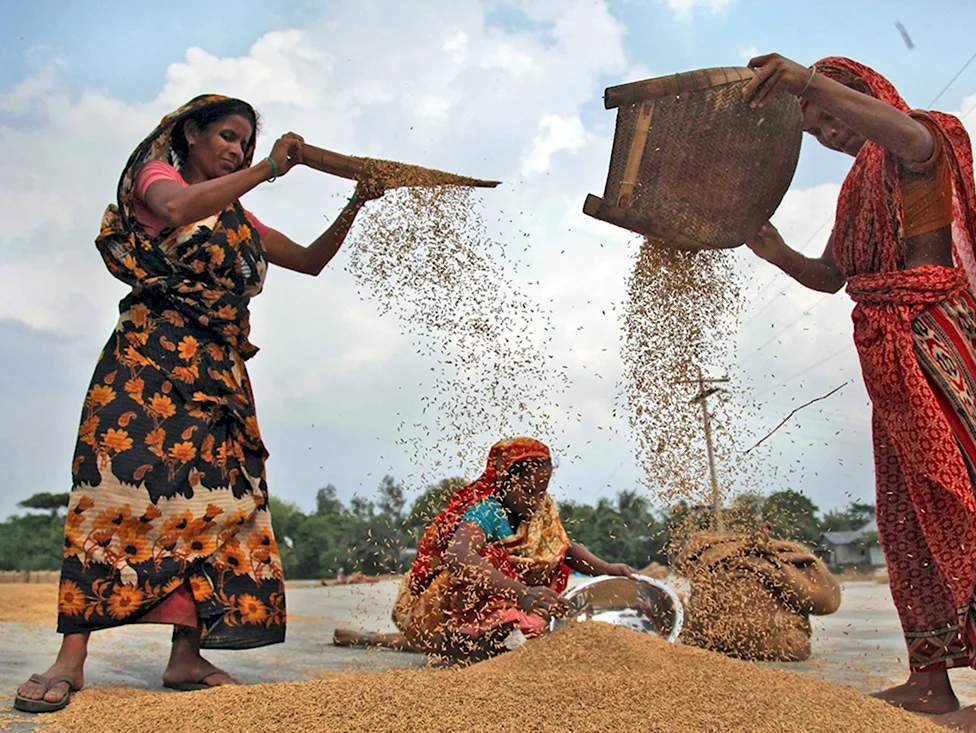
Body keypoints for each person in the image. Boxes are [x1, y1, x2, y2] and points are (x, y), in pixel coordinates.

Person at [739, 55, 976, 732]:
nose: (828, 132)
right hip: (891, 357)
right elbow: (829, 274)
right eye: (813, 129)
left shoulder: (926, 137)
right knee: (909, 513)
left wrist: (801, 84)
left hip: (939, 342)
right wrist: (775, 249)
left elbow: (905, 136)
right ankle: (930, 681)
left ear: (864, 92)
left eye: (831, 113)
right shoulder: (855, 190)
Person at [14, 94, 383, 713]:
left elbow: (311, 262)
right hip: (146, 367)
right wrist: (269, 166)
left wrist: (355, 202)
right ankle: (70, 659)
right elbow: (178, 207)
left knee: (222, 503)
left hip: (218, 374)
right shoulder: (159, 180)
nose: (235, 149)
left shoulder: (238, 218)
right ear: (190, 133)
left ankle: (186, 657)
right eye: (228, 137)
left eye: (244, 142)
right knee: (111, 495)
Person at [337, 437, 635, 662]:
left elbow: (563, 549)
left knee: (526, 586)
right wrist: (522, 593)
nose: (535, 500)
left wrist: (607, 569)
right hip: (441, 610)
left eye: (541, 491)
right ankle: (465, 645)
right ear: (505, 482)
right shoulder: (486, 511)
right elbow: (458, 557)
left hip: (501, 608)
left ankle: (378, 639)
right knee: (488, 561)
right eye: (528, 491)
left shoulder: (542, 511)